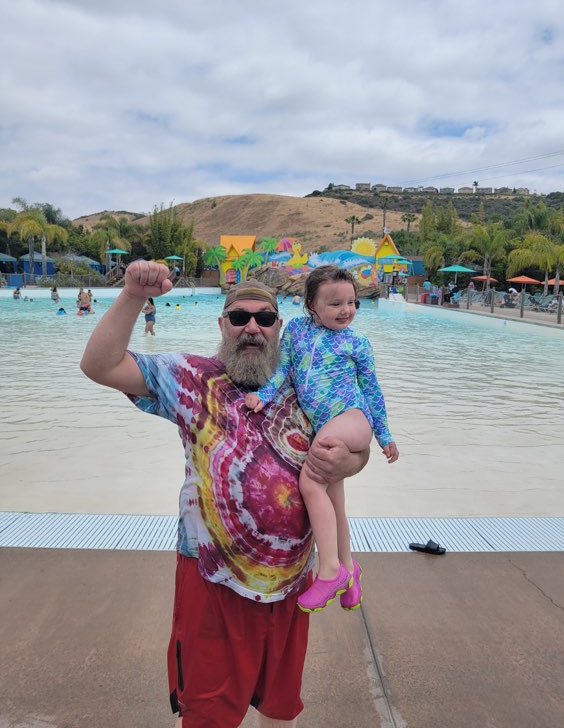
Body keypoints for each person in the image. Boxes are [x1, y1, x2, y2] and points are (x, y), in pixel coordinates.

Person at [80, 263, 367, 727]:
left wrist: (354, 461)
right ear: (222, 326)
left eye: (264, 319)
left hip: (292, 585)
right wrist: (133, 296)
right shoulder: (193, 378)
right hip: (212, 583)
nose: (251, 327)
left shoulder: (307, 386)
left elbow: (355, 450)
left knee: (279, 713)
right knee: (208, 716)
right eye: (239, 318)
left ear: (281, 329)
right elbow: (100, 365)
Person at [245, 265, 398, 613]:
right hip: (326, 425)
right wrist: (263, 396)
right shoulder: (297, 330)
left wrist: (385, 434)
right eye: (335, 304)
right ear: (310, 305)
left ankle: (328, 570)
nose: (346, 310)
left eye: (352, 302)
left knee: (310, 482)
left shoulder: (357, 342)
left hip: (352, 419)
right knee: (335, 503)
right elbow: (283, 370)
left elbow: (372, 390)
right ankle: (349, 569)